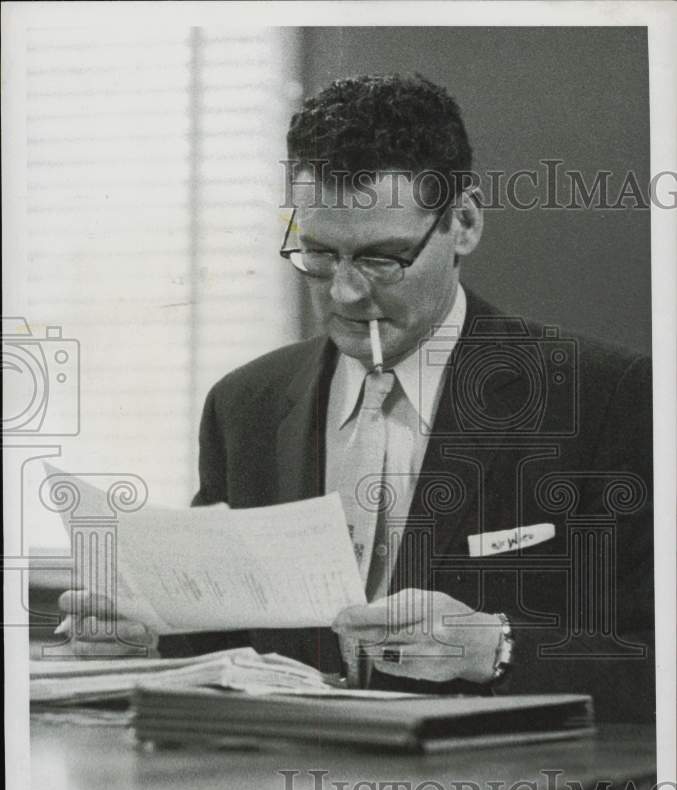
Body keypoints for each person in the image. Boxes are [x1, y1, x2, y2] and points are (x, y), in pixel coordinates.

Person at [58, 75, 654, 721]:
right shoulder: (245, 406)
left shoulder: (608, 399)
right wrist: (145, 641)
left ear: (463, 223)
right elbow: (226, 643)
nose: (343, 292)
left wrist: (497, 649)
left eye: (381, 258)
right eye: (317, 253)